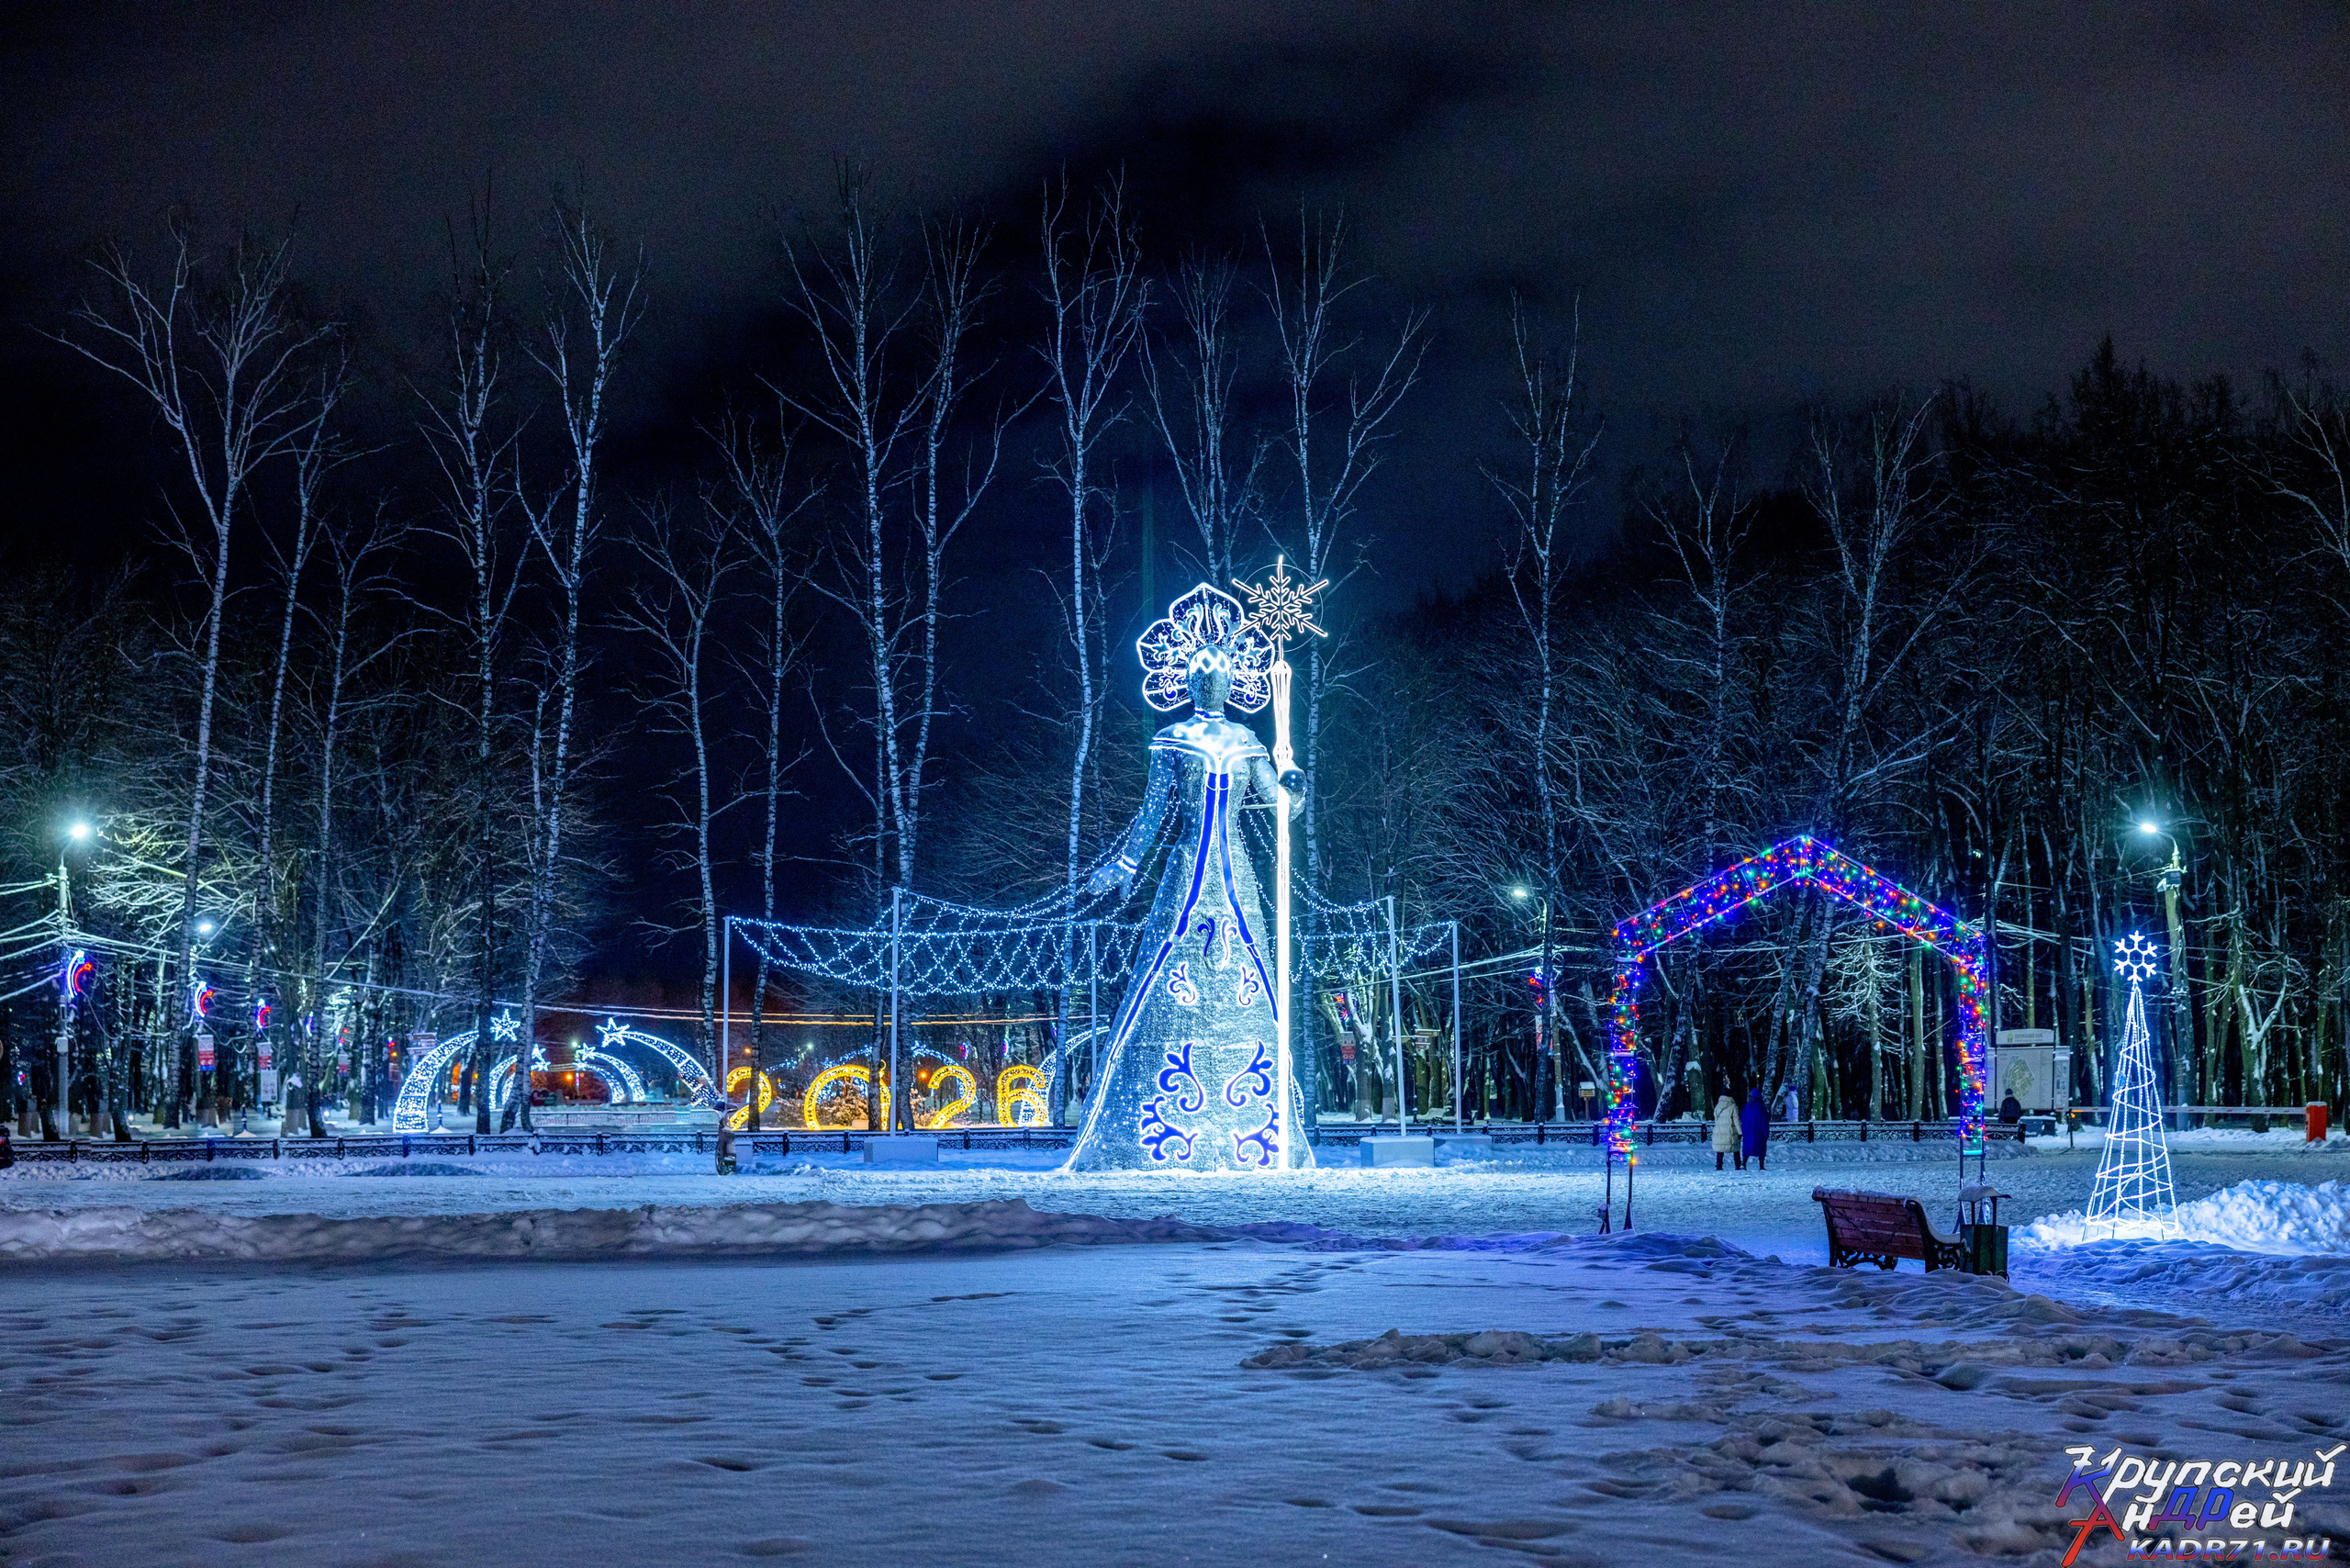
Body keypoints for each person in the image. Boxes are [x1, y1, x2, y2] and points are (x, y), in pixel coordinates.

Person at [1067, 584, 1310, 1172]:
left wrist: (1292, 775)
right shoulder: (1171, 741)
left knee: (1250, 968)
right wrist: (1122, 867)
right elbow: (1151, 817)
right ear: (1188, 678)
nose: (1213, 683)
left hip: (1237, 875)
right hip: (1184, 871)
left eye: (1222, 674)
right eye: (1204, 674)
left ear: (1232, 681)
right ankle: (1139, 1120)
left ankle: (1257, 1127)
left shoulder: (1247, 741)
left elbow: (1281, 807)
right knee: (1162, 966)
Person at [1740, 1086, 1770, 1172]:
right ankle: (1761, 1165)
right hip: (1759, 1132)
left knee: (1747, 1148)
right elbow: (1764, 1121)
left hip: (1748, 1131)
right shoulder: (1761, 1107)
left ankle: (1744, 1163)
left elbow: (1743, 1118)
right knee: (1761, 1149)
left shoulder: (1748, 1106)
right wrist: (1766, 1133)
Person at [1710, 1093, 1739, 1171]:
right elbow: (1736, 1120)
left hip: (1719, 1130)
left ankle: (1719, 1164)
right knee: (1736, 1148)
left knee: (1720, 1148)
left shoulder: (1718, 1106)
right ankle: (1738, 1164)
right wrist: (1740, 1132)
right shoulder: (1733, 1106)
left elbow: (1716, 1118)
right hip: (1730, 1131)